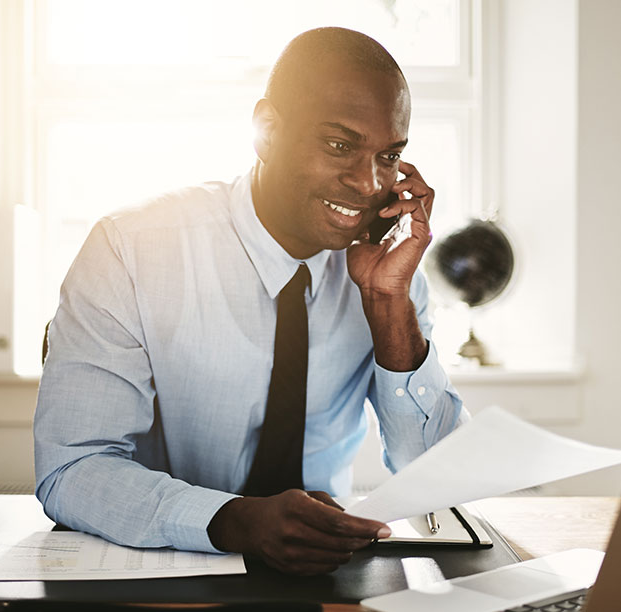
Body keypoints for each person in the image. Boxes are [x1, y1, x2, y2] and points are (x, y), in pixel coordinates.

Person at [34, 27, 464, 575]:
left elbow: (439, 479)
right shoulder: (131, 248)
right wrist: (236, 520)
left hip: (323, 577)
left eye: (390, 155)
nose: (367, 182)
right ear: (266, 131)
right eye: (339, 145)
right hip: (154, 572)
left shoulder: (389, 277)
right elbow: (72, 469)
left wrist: (388, 306)